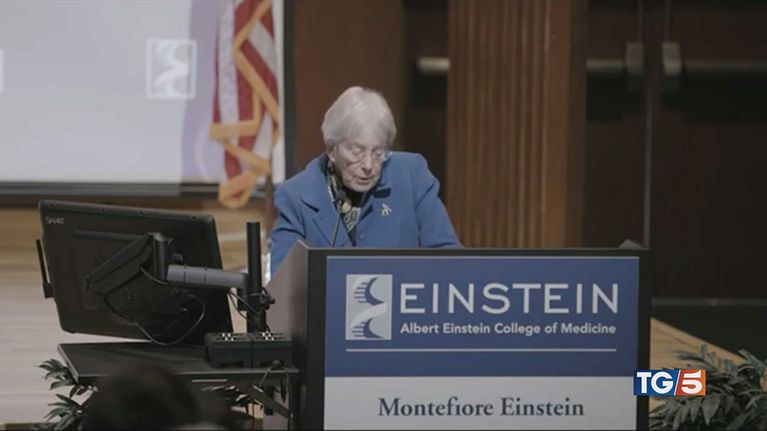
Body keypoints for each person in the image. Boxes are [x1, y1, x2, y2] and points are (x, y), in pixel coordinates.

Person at [269, 86, 460, 273]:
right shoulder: (296, 196)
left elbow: (450, 260)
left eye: (378, 152)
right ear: (331, 149)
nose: (368, 165)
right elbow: (284, 282)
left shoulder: (412, 177)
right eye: (356, 151)